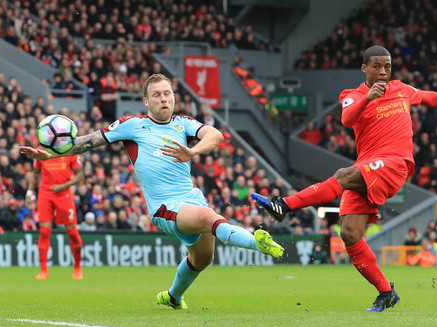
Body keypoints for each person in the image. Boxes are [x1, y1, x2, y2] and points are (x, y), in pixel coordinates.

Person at [21, 73, 284, 310]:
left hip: (190, 198)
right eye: (156, 95)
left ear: (173, 97)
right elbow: (86, 142)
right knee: (207, 217)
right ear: (146, 101)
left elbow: (215, 135)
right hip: (164, 207)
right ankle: (256, 242)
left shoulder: (184, 123)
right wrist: (49, 153)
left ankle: (172, 296)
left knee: (202, 258)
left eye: (167, 93)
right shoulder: (131, 125)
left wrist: (192, 151)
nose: (163, 99)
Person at [251, 45, 437, 312]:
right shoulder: (352, 95)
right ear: (365, 69)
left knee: (343, 175)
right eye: (377, 67)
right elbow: (347, 119)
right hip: (368, 168)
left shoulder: (401, 90)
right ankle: (386, 292)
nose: (383, 72)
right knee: (349, 233)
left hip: (395, 164)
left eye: (387, 67)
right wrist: (369, 97)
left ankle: (284, 205)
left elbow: (429, 97)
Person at [27, 152, 84, 280]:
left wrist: (63, 186)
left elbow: (80, 175)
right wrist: (30, 192)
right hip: (45, 194)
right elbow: (35, 174)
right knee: (44, 232)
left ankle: (77, 267)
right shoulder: (41, 150)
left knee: (73, 233)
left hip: (64, 194)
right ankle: (43, 270)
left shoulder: (69, 150)